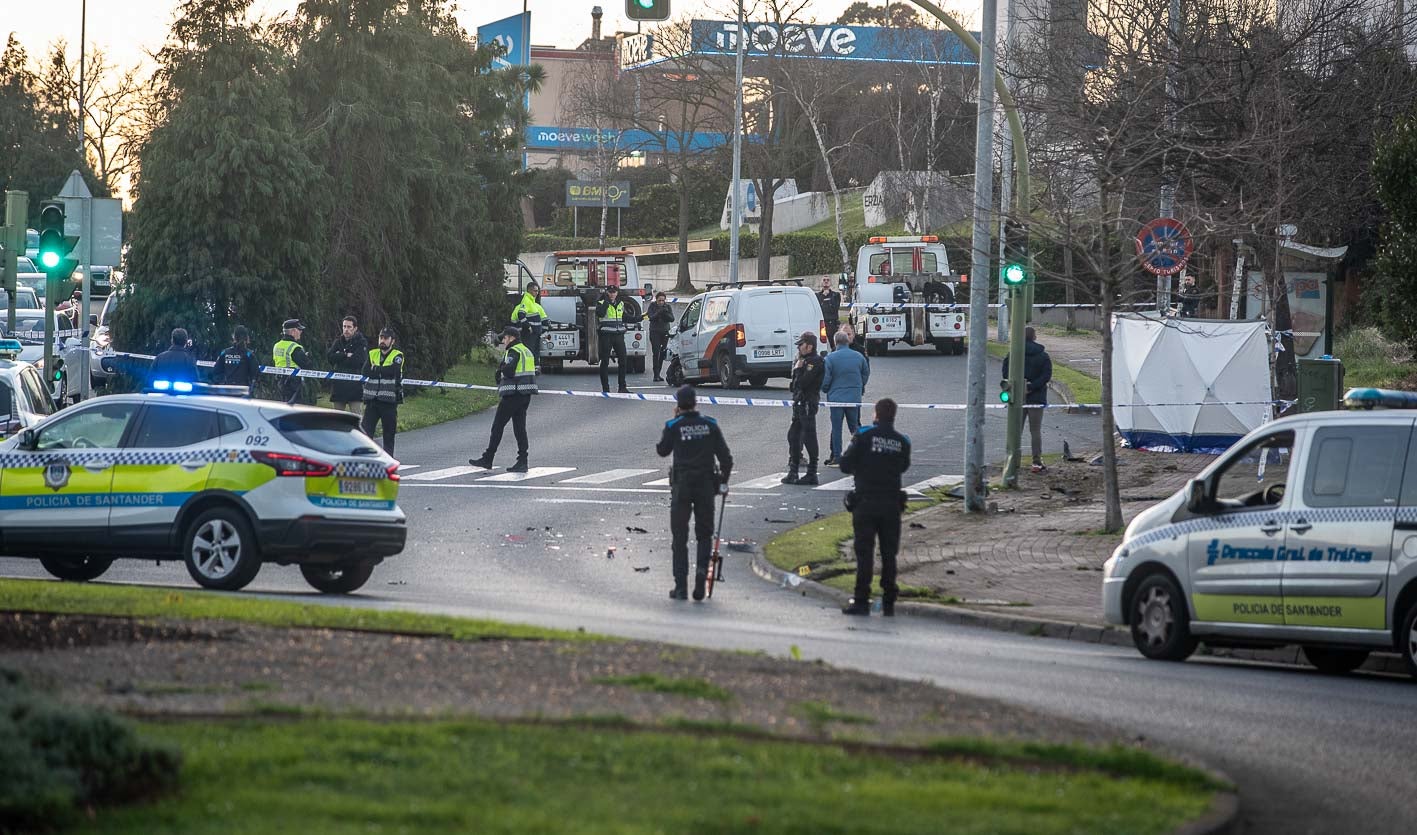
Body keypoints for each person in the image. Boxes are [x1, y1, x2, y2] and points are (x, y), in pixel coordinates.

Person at [656, 384, 733, 601]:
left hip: (682, 485)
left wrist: (673, 423)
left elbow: (662, 450)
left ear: (678, 405)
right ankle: (701, 574)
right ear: (696, 402)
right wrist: (722, 483)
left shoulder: (674, 425)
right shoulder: (710, 424)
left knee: (679, 537)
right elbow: (726, 459)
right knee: (704, 534)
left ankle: (680, 587)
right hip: (705, 485)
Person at [839, 398, 912, 617]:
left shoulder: (863, 436)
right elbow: (903, 466)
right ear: (894, 415)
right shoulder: (902, 442)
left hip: (866, 502)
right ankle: (889, 600)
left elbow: (844, 464)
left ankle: (861, 600)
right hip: (891, 503)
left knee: (864, 553)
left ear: (876, 415)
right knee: (889, 553)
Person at [470, 325, 536, 473]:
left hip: (513, 394)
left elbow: (510, 371)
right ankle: (523, 461)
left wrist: (501, 368)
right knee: (520, 428)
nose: (503, 341)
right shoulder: (526, 350)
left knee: (497, 426)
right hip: (525, 394)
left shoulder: (513, 351)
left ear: (512, 338)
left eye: (505, 338)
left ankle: (488, 458)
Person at [1001, 326, 1054, 473]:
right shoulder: (1043, 356)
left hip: (1017, 397)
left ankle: (1013, 460)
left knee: (1016, 430)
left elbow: (1005, 372)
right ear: (1034, 337)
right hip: (1036, 397)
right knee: (1035, 430)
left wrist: (1016, 385)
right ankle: (1036, 462)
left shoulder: (1013, 354)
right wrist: (1032, 386)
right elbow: (1046, 376)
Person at [781, 331, 825, 485]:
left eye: (801, 345)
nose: (799, 348)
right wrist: (797, 370)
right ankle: (793, 471)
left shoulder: (816, 361)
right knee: (793, 436)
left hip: (808, 403)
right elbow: (794, 386)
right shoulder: (801, 361)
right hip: (799, 403)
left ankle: (812, 472)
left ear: (809, 346)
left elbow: (804, 382)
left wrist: (799, 370)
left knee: (809, 436)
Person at [822, 331, 870, 466]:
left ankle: (837, 456)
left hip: (836, 398)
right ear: (847, 341)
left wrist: (826, 389)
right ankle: (861, 453)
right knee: (854, 426)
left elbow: (826, 380)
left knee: (836, 428)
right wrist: (859, 386)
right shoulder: (858, 357)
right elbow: (865, 373)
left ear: (835, 342)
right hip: (854, 397)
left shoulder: (830, 358)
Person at [361, 327, 404, 454]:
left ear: (392, 341)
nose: (382, 340)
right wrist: (382, 371)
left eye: (386, 338)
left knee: (388, 434)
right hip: (372, 400)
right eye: (381, 337)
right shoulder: (372, 353)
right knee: (365, 433)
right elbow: (365, 371)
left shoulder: (397, 355)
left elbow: (394, 371)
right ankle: (366, 459)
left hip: (389, 401)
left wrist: (376, 369)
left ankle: (388, 461)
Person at [327, 316, 368, 415]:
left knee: (356, 419)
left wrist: (339, 357)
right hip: (339, 387)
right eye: (344, 326)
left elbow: (357, 361)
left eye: (349, 327)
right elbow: (330, 358)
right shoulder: (338, 342)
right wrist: (345, 355)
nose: (346, 329)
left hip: (355, 388)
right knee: (337, 419)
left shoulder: (361, 342)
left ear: (355, 328)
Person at [596, 284, 629, 393]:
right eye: (610, 292)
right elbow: (600, 313)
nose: (612, 294)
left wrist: (641, 317)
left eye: (614, 292)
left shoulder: (621, 304)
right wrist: (606, 302)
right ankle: (606, 388)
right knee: (605, 361)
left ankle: (622, 387)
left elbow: (624, 317)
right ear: (607, 293)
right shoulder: (601, 303)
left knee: (623, 361)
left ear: (617, 293)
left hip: (619, 335)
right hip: (606, 335)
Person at [273, 319, 313, 405]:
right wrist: (306, 357)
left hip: (279, 381)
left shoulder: (277, 345)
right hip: (293, 384)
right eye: (299, 329)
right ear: (293, 331)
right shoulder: (295, 347)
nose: (301, 332)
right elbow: (307, 365)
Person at [510, 281, 548, 370]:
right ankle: (528, 368)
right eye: (535, 291)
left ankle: (535, 368)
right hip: (528, 333)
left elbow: (544, 319)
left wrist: (544, 331)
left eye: (538, 291)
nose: (537, 293)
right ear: (529, 290)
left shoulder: (535, 305)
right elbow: (520, 315)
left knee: (535, 351)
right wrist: (528, 327)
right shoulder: (526, 301)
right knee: (529, 351)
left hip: (535, 333)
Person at [215, 325, 259, 394]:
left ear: (234, 337)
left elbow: (216, 371)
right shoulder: (249, 354)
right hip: (243, 392)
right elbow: (256, 374)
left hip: (227, 390)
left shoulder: (225, 352)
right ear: (246, 337)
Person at [645, 290, 675, 382]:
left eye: (663, 300)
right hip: (655, 332)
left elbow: (672, 319)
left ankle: (659, 373)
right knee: (656, 353)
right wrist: (658, 313)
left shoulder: (667, 307)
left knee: (662, 353)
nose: (661, 302)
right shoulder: (652, 306)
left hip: (664, 332)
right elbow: (650, 317)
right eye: (659, 300)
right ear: (656, 300)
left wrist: (664, 312)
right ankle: (656, 374)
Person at [816, 277, 842, 350]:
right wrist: (823, 297)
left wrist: (827, 298)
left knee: (834, 344)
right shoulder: (817, 296)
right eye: (824, 280)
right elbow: (818, 308)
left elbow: (835, 308)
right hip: (821, 323)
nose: (826, 282)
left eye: (828, 280)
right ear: (821, 282)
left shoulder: (836, 295)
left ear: (830, 283)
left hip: (832, 323)